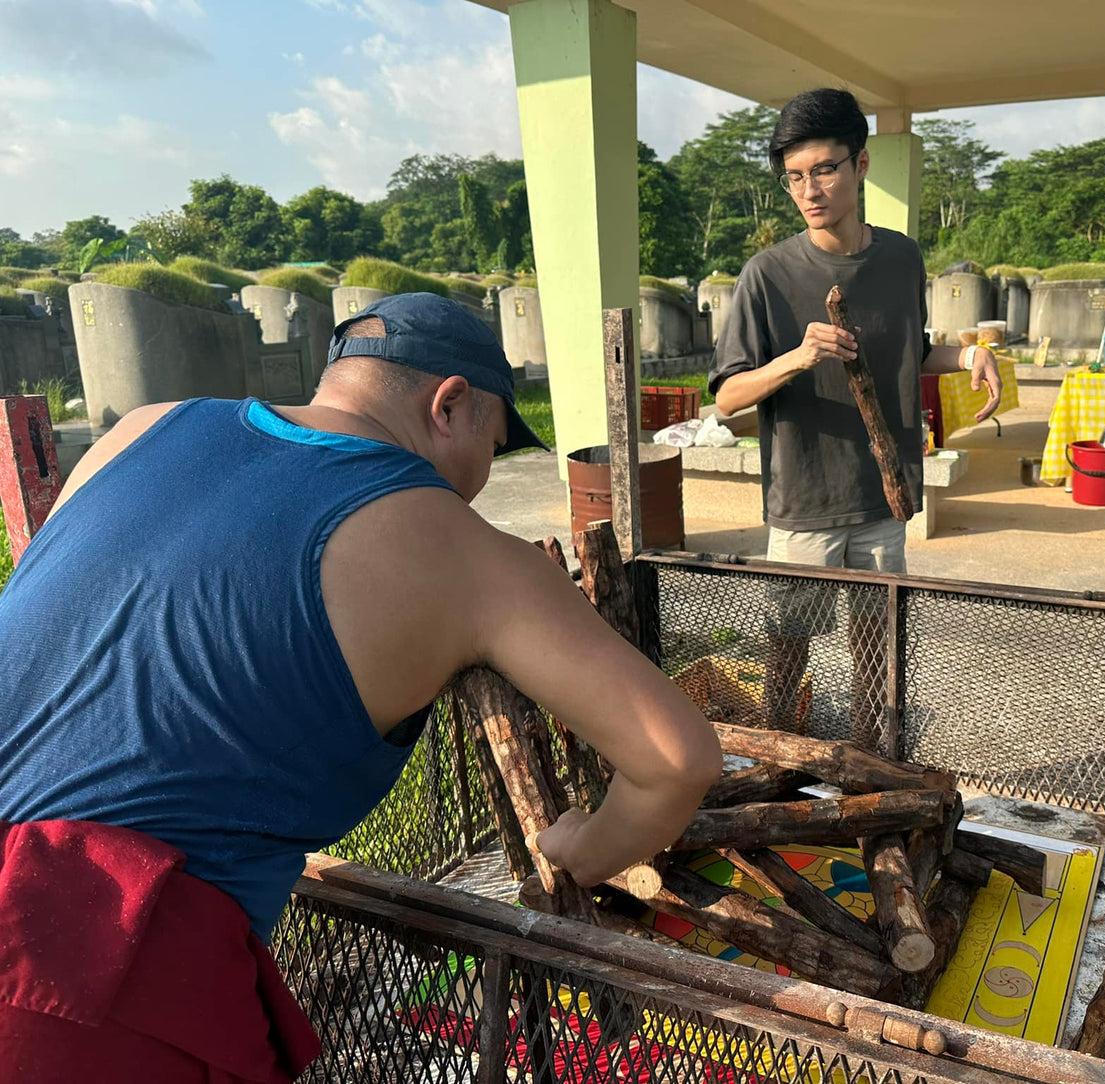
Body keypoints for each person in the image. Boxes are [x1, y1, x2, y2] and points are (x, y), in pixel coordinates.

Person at [0, 293, 722, 1082]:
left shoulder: (143, 427)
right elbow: (675, 759)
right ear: (449, 403)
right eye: (494, 440)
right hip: (86, 968)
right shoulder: (462, 552)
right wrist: (579, 849)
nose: (482, 476)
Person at [707, 87, 1001, 744]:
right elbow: (726, 397)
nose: (810, 190)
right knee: (787, 655)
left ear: (860, 165)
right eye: (795, 177)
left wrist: (968, 355)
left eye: (825, 169)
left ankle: (869, 771)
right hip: (805, 500)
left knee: (877, 654)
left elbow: (911, 350)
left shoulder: (899, 258)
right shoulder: (767, 275)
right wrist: (797, 357)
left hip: (882, 494)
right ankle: (777, 770)